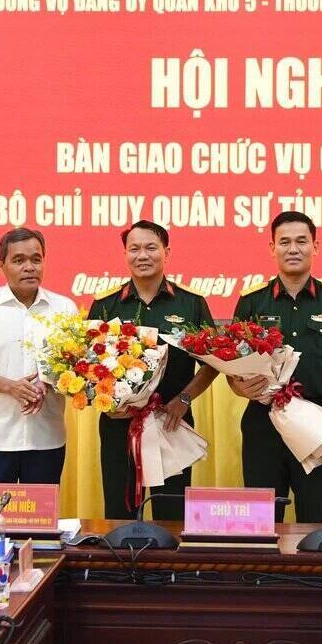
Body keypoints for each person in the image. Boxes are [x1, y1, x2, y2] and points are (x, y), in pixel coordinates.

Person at [228, 211, 322, 523]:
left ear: (316, 246)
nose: (293, 249)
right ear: (272, 248)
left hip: (317, 420)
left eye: (302, 241)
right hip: (263, 421)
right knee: (261, 521)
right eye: (284, 242)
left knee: (315, 519)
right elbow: (232, 365)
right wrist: (240, 387)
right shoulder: (252, 301)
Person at [88, 220, 219, 520]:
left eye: (151, 248)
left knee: (172, 515)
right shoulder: (106, 305)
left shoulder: (191, 303)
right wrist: (107, 404)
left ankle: (169, 555)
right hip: (119, 425)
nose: (142, 255)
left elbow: (212, 364)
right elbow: (89, 368)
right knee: (120, 515)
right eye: (134, 249)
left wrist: (184, 399)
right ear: (125, 254)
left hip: (172, 421)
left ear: (166, 252)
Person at [0, 227, 78, 484]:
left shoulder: (64, 308)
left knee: (41, 511)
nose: (29, 267)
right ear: (1, 265)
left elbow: (76, 366)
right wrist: (11, 387)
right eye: (19, 260)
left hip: (46, 438)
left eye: (36, 259)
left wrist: (48, 382)